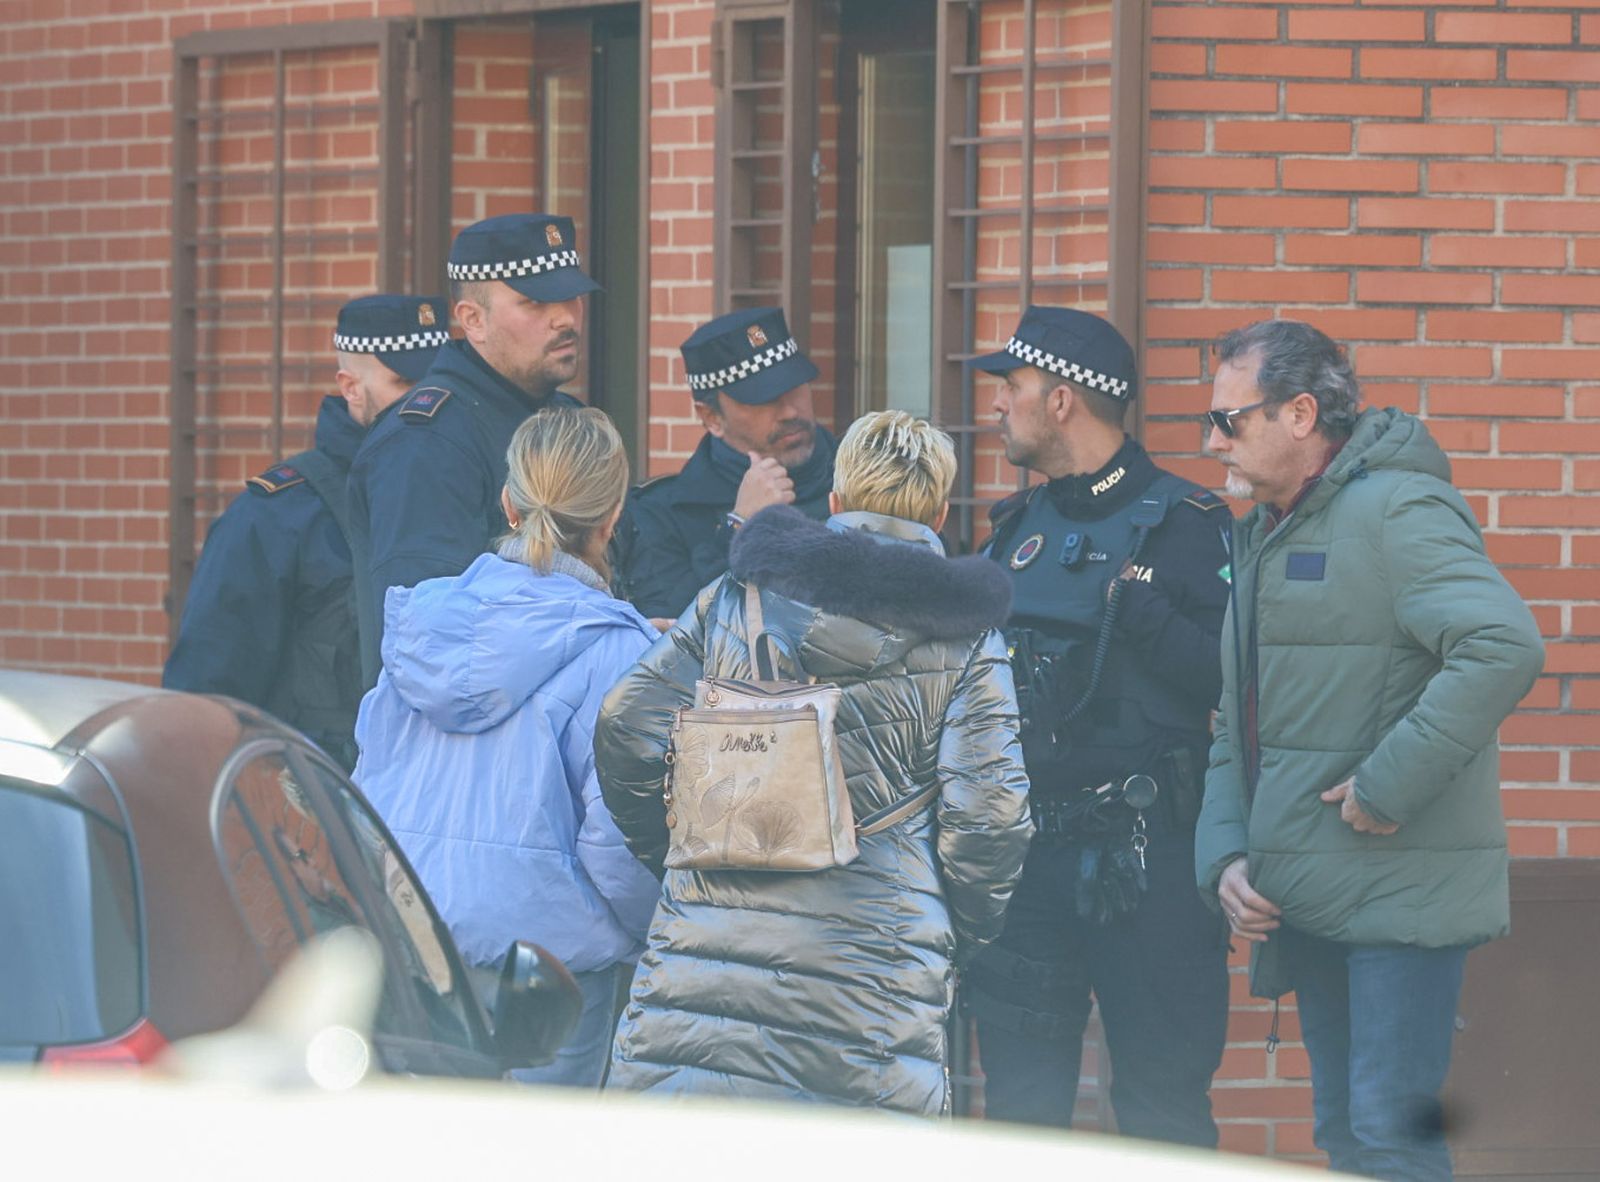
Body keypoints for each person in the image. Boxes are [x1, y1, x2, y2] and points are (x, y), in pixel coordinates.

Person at [596, 410, 1032, 1114]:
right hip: (874, 973)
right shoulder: (970, 642)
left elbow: (626, 724)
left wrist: (687, 850)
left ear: (833, 500)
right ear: (939, 514)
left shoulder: (737, 596)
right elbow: (991, 817)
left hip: (705, 953)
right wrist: (953, 926)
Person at [1195, 320, 1544, 1181]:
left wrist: (1387, 786)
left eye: (1228, 420)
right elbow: (1239, 717)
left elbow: (1503, 645)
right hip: (1310, 896)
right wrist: (1225, 853)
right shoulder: (1268, 529)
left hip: (1400, 897)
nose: (1212, 442)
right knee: (1347, 1141)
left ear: (1300, 414)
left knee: (1391, 1141)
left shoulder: (1396, 509)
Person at [963, 306, 1232, 1144]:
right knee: (1020, 1114)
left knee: (1162, 1110)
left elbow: (1239, 685)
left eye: (1011, 386)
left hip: (1146, 861)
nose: (996, 404)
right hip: (1028, 859)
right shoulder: (1015, 529)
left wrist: (1146, 619)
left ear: (1062, 400)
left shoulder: (1187, 524)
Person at [353, 406, 662, 1088]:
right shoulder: (622, 653)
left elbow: (370, 777)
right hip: (550, 971)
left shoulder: (423, 622)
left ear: (508, 504)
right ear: (612, 516)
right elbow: (620, 843)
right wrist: (652, 934)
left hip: (412, 946)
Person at [163, 295, 446, 769]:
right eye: (404, 383)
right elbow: (206, 695)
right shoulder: (278, 516)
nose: (425, 401)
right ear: (351, 388)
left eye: (435, 383)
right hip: (315, 795)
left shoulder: (462, 493)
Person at [347, 213, 598, 685]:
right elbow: (431, 645)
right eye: (534, 302)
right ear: (473, 320)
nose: (565, 317)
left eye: (571, 296)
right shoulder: (425, 443)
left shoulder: (568, 419)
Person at [616, 306, 835, 622]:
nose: (790, 411)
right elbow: (676, 638)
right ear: (711, 417)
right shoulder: (662, 515)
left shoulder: (863, 477)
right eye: (764, 399)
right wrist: (740, 527)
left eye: (795, 387)